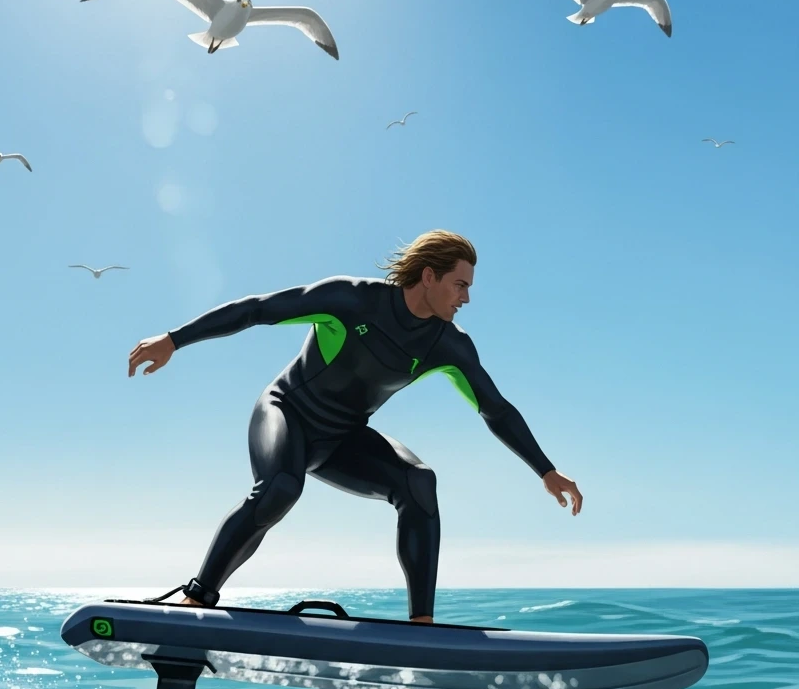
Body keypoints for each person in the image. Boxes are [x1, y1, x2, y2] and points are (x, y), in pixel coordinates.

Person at [128, 230, 582, 623]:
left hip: (341, 440)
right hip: (286, 412)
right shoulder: (351, 300)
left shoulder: (449, 345)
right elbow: (257, 310)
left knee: (418, 482)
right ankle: (197, 598)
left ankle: (421, 627)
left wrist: (546, 470)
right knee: (281, 489)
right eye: (460, 285)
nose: (466, 298)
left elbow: (496, 410)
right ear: (429, 276)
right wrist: (173, 340)